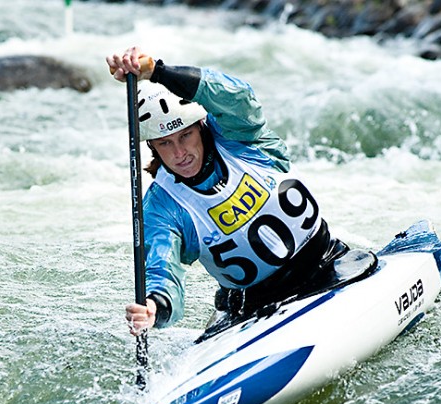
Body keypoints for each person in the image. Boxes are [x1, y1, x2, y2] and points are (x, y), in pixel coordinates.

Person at [106, 47, 373, 337]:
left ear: (201, 127)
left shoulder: (243, 139)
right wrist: (154, 307)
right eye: (165, 143)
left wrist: (156, 71)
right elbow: (162, 268)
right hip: (252, 307)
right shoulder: (161, 207)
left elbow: (237, 96)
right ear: (152, 146)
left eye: (185, 135)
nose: (179, 153)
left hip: (327, 263)